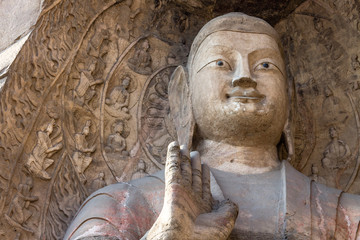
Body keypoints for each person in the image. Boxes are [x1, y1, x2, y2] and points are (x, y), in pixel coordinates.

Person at [64, 13, 360, 240]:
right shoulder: (125, 204)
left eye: (265, 65)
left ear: (289, 95)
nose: (245, 77)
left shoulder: (346, 214)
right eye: (221, 63)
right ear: (184, 93)